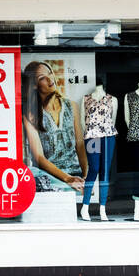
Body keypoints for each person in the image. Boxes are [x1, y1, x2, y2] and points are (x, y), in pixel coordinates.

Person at [21, 60, 87, 192]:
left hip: (76, 174)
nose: (50, 79)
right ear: (34, 85)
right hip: (51, 177)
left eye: (50, 73)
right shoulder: (30, 114)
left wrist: (86, 175)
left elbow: (80, 145)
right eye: (42, 78)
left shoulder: (72, 106)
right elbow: (39, 157)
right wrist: (68, 179)